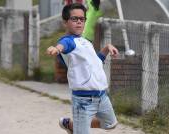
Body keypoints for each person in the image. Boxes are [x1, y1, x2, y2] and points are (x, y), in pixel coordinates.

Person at [46, 3, 118, 134]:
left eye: (82, 19)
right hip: (83, 101)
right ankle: (77, 126)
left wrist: (107, 48)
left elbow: (96, 61)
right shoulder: (68, 41)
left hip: (102, 96)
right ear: (65, 22)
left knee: (110, 123)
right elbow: (62, 46)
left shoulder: (85, 42)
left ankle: (72, 125)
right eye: (74, 19)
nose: (79, 22)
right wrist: (56, 49)